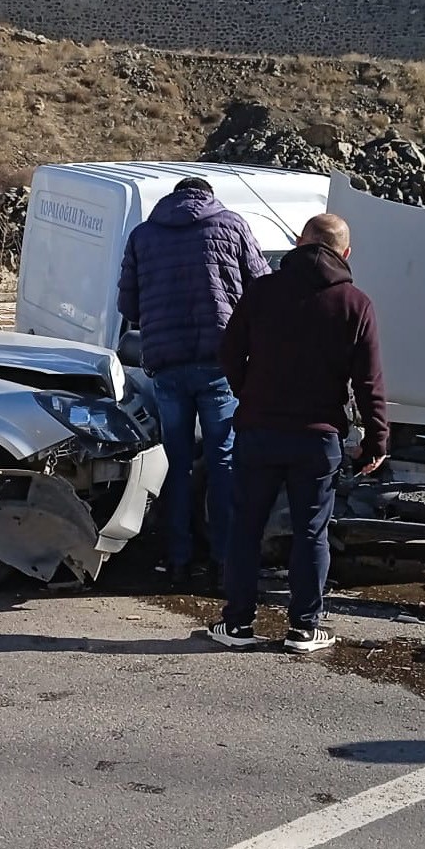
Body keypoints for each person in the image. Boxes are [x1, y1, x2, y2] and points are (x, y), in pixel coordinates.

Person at [207, 213, 387, 654]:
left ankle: (238, 625)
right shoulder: (354, 303)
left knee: (246, 527)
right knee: (311, 532)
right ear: (345, 253)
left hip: (258, 429)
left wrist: (247, 393)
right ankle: (304, 628)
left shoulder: (263, 290)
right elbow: (369, 382)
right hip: (318, 437)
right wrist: (377, 439)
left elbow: (229, 353)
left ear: (299, 242)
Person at [118, 176, 269, 592]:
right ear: (208, 196)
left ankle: (178, 559)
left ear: (173, 197)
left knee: (176, 463)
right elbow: (262, 288)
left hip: (167, 365)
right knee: (223, 460)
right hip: (220, 364)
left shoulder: (143, 235)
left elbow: (126, 305)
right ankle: (223, 560)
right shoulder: (232, 225)